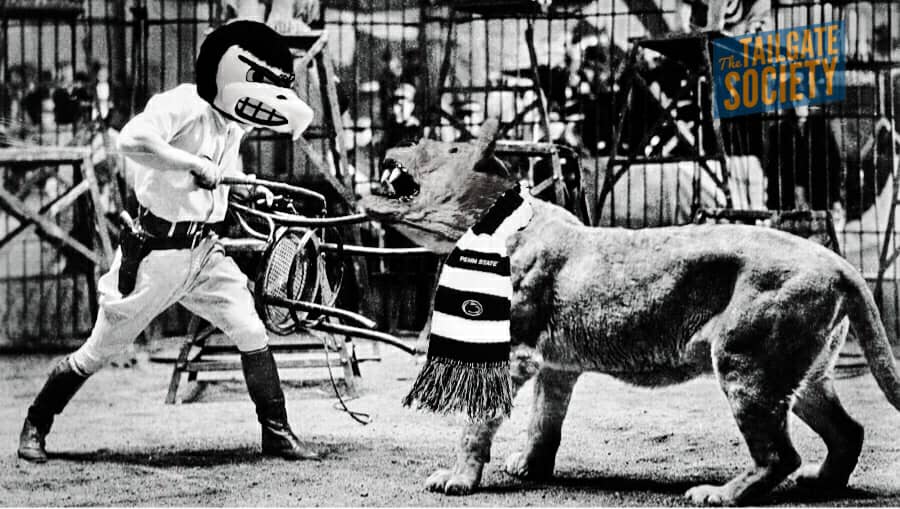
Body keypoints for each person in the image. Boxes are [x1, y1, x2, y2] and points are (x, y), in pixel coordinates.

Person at [17, 20, 318, 463]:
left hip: (204, 254)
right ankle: (35, 425)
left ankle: (277, 433)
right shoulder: (181, 104)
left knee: (250, 328)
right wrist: (189, 162)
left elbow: (219, 179)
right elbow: (131, 140)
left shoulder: (232, 122)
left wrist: (248, 188)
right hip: (155, 255)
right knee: (98, 351)